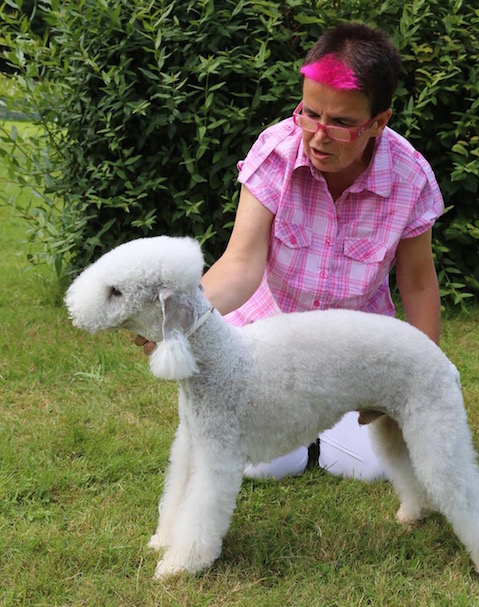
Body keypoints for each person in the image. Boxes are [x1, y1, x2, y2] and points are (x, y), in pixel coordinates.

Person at [137, 22, 444, 481]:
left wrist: (423, 377)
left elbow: (418, 283)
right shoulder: (275, 153)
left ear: (379, 121)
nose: (318, 136)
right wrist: (180, 315)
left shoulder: (410, 176)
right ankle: (305, 431)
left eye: (341, 123)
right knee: (263, 466)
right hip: (269, 344)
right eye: (311, 113)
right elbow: (241, 265)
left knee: (371, 466)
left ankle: (330, 426)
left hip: (354, 351)